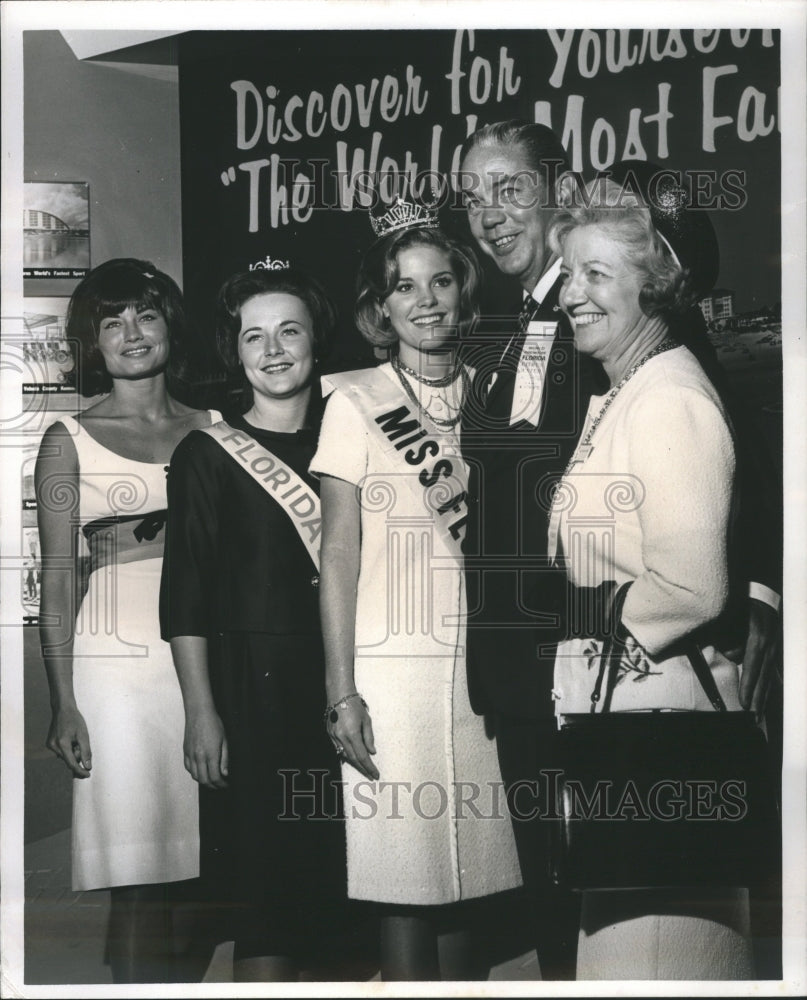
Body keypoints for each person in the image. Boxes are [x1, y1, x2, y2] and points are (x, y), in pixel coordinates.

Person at [457, 122, 782, 979]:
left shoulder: (646, 347)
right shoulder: (509, 329)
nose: (488, 215)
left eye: (508, 189)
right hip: (541, 672)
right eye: (471, 196)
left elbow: (721, 459)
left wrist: (755, 602)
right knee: (582, 909)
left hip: (626, 676)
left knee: (645, 929)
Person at [545, 192, 758, 979]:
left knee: (654, 960)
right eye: (567, 272)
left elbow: (693, 586)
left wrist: (586, 622)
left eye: (596, 273)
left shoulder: (667, 397)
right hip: (625, 721)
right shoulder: (624, 390)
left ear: (655, 285)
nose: (571, 293)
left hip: (660, 730)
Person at [310, 207, 522, 981]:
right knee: (403, 875)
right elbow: (336, 556)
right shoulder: (354, 400)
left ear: (464, 295)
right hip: (390, 671)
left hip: (483, 669)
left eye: (440, 282)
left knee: (474, 873)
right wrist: (341, 691)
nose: (426, 301)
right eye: (405, 287)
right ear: (380, 306)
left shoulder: (498, 394)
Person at [159, 268, 347, 982]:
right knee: (267, 904)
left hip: (342, 687)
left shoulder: (350, 441)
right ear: (234, 354)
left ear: (315, 342)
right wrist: (202, 713)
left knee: (340, 895)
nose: (272, 350)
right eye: (253, 336)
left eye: (288, 330)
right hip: (253, 696)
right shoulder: (206, 455)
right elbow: (186, 601)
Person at [35, 258, 219, 983]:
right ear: (94, 342)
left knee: (211, 870)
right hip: (116, 671)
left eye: (145, 313)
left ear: (170, 320)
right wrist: (63, 702)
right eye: (112, 322)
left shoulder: (219, 424)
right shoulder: (65, 440)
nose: (132, 333)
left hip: (209, 657)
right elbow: (56, 580)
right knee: (140, 870)